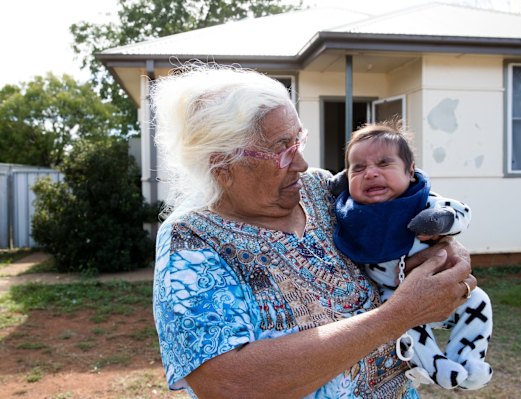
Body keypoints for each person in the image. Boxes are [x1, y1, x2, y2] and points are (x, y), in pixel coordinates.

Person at [151, 63, 477, 399]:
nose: (301, 163)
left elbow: (407, 217)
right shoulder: (191, 239)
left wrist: (444, 248)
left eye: (298, 140)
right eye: (282, 149)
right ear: (221, 166)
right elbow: (229, 385)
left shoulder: (322, 190)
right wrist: (396, 316)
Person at [330, 122, 493, 390]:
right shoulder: (348, 211)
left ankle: (469, 357)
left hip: (443, 284)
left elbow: (460, 211)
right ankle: (436, 367)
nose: (370, 173)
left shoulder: (420, 200)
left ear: (410, 171)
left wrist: (441, 222)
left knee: (478, 301)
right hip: (392, 294)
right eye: (358, 168)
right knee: (404, 322)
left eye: (384, 163)